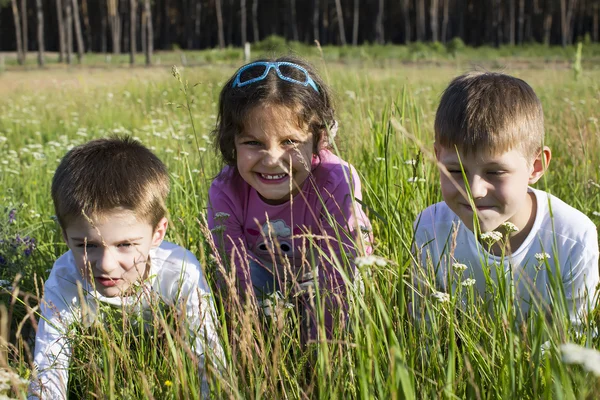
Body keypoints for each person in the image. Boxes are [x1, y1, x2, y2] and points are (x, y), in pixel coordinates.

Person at [28, 137, 224, 399]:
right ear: (65, 236)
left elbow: (209, 361)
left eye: (125, 244)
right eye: (87, 245)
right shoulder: (65, 277)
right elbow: (49, 365)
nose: (106, 265)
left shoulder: (180, 270)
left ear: (158, 233)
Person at [413, 71, 599, 327]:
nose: (474, 190)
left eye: (495, 172)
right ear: (437, 157)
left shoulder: (572, 240)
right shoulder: (430, 227)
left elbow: (571, 345)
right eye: (456, 171)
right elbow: (422, 328)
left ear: (535, 167)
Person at [207, 56, 372, 341]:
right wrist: (253, 344)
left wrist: (323, 349)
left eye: (290, 142)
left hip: (327, 275)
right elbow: (233, 273)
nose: (272, 160)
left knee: (338, 294)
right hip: (264, 275)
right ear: (231, 143)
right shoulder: (226, 188)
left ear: (320, 139)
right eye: (253, 143)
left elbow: (340, 272)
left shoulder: (336, 180)